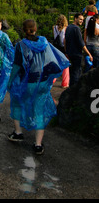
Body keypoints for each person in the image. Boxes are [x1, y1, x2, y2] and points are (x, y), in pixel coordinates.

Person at [8, 19, 70, 155]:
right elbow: (53, 60)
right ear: (36, 29)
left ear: (24, 30)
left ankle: (18, 133)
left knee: (17, 103)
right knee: (39, 111)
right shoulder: (44, 42)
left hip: (28, 83)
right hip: (42, 83)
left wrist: (10, 81)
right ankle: (38, 145)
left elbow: (17, 66)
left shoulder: (20, 45)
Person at [64, 13, 93, 86]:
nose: (81, 21)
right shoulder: (76, 28)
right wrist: (89, 54)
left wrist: (66, 51)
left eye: (83, 20)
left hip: (70, 53)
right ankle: (75, 91)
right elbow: (81, 43)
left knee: (72, 72)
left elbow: (65, 40)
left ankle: (71, 90)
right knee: (76, 73)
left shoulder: (68, 27)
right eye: (80, 19)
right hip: (77, 54)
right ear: (75, 18)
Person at [52, 14, 70, 87]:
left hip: (56, 48)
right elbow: (65, 40)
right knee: (65, 66)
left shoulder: (54, 27)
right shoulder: (66, 28)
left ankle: (52, 80)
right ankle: (65, 83)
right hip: (63, 48)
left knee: (56, 65)